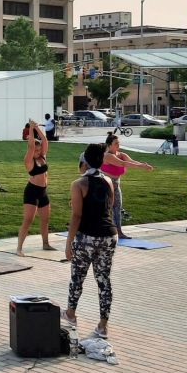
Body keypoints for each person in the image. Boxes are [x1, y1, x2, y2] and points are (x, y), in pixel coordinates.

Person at [64, 143, 118, 339]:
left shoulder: (79, 184)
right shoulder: (108, 181)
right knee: (104, 280)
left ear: (83, 163)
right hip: (109, 235)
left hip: (87, 236)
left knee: (78, 277)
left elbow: (76, 216)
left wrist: (69, 243)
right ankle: (103, 326)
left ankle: (70, 314)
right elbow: (109, 206)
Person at [101, 133, 154, 240]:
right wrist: (141, 166)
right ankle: (105, 231)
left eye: (118, 143)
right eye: (116, 143)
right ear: (109, 145)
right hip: (105, 186)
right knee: (106, 209)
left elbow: (131, 161)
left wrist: (143, 165)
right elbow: (122, 164)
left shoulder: (121, 154)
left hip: (116, 185)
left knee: (117, 208)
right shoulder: (107, 156)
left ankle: (119, 232)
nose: (118, 145)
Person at [18, 120, 53, 254]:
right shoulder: (28, 161)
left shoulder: (42, 157)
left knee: (45, 220)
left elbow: (44, 140)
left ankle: (45, 244)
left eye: (39, 150)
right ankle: (19, 248)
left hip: (43, 192)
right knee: (28, 220)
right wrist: (31, 129)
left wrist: (37, 128)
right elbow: (31, 146)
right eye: (35, 150)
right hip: (32, 192)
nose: (37, 152)